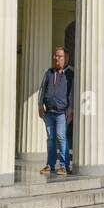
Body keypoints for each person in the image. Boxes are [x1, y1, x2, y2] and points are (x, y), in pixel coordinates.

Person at [38, 47, 74, 175]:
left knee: (61, 137)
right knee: (51, 138)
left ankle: (64, 166)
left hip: (62, 112)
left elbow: (72, 93)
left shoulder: (71, 73)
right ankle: (50, 165)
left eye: (60, 56)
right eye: (56, 56)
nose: (57, 59)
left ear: (66, 58)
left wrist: (70, 110)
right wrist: (40, 105)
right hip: (49, 112)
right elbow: (42, 90)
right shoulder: (49, 72)